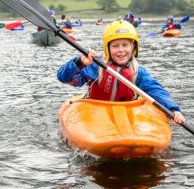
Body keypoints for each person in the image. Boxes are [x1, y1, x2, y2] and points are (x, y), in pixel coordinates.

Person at [57, 20, 185, 125]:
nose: (121, 50)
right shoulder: (96, 65)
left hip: (127, 113)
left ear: (133, 47)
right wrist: (80, 62)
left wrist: (172, 109)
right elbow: (64, 78)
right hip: (95, 110)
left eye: (125, 45)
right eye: (115, 46)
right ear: (107, 48)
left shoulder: (137, 71)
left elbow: (155, 90)